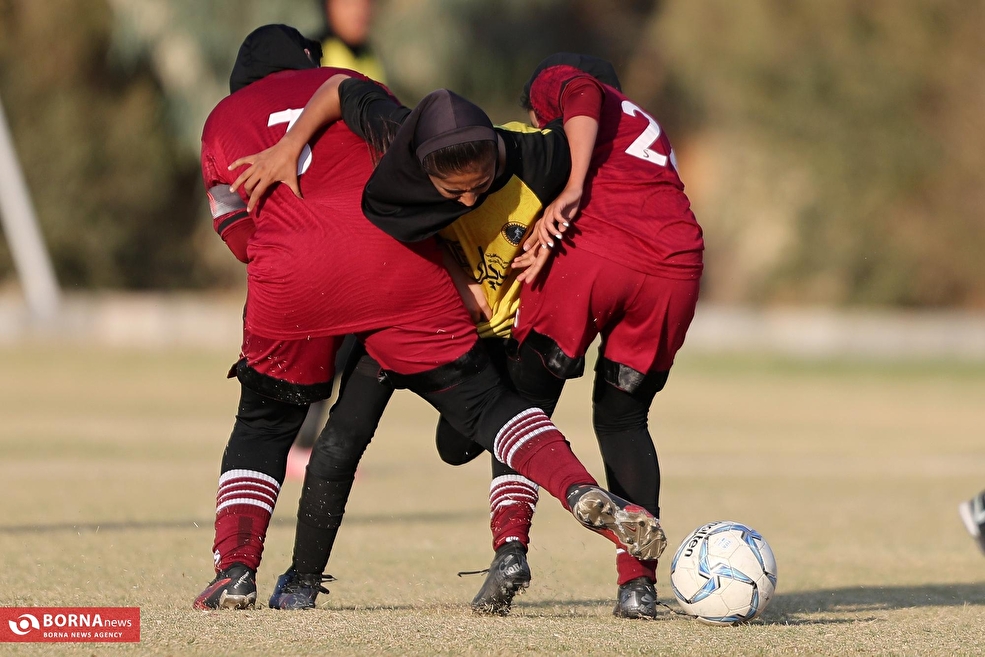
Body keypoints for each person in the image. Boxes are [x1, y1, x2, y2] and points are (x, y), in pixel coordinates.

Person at [194, 25, 665, 611]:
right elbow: (405, 145)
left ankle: (237, 572)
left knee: (269, 424)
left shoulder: (221, 120)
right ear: (307, 61)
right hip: (404, 268)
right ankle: (578, 489)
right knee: (493, 409)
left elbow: (237, 235)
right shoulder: (353, 84)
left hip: (293, 279)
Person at [503, 53, 704, 618]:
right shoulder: (644, 121)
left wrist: (569, 188)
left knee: (521, 409)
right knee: (623, 419)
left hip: (598, 251)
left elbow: (582, 96)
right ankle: (638, 586)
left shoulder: (568, 83)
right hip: (676, 265)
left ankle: (509, 550)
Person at [287, 0, 389, 480]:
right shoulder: (314, 51)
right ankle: (294, 444)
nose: (363, 10)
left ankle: (314, 446)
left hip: (361, 217)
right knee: (321, 343)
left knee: (350, 344)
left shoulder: (369, 56)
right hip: (322, 214)